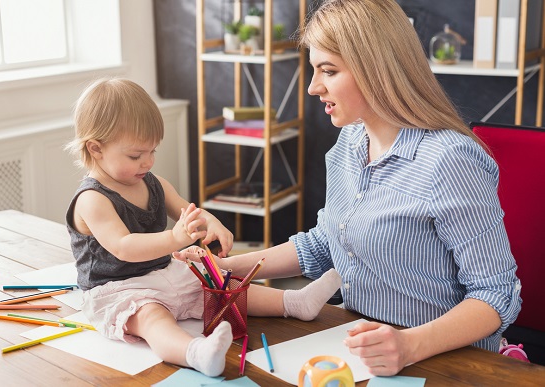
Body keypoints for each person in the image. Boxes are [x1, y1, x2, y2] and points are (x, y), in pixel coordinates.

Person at [175, 0, 521, 377]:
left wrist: (408, 345)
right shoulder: (349, 145)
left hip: (442, 360)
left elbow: (496, 294)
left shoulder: (450, 160)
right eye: (314, 70)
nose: (312, 87)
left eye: (329, 70)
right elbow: (325, 243)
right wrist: (225, 269)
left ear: (378, 69)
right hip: (358, 348)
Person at [65, 77, 342, 377]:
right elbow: (124, 247)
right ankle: (195, 352)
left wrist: (212, 223)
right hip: (119, 289)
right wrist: (175, 237)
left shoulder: (152, 183)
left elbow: (189, 211)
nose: (148, 162)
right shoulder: (92, 199)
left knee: (222, 284)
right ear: (96, 149)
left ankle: (294, 302)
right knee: (151, 318)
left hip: (163, 273)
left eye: (152, 151)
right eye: (136, 155)